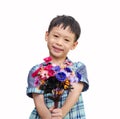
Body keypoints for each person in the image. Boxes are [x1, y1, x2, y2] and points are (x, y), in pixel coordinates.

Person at [26, 15, 89, 119]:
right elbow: (39, 103)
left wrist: (61, 113)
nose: (59, 43)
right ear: (47, 35)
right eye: (56, 36)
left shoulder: (78, 68)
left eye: (66, 40)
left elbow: (75, 91)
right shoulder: (37, 71)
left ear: (74, 45)